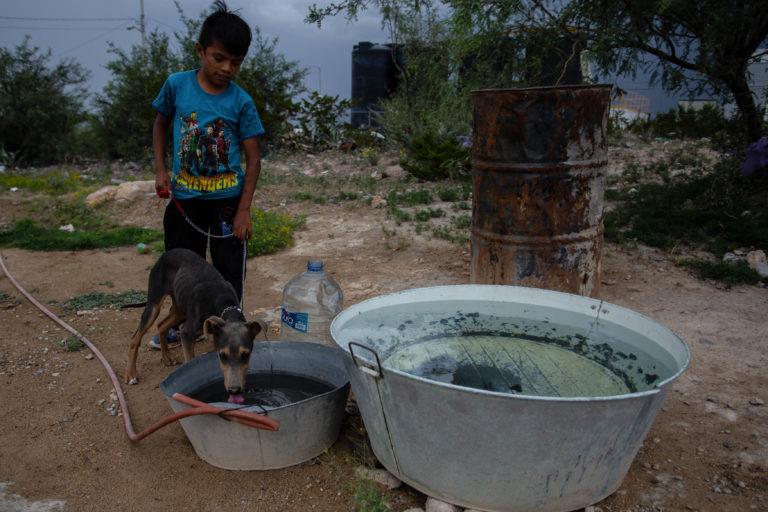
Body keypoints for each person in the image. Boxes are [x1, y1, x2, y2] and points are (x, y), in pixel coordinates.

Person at [149, 0, 264, 348]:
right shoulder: (177, 85)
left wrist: (244, 209)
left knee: (230, 270)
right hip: (185, 202)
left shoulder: (241, 101)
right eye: (219, 58)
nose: (227, 68)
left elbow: (254, 159)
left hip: (228, 202)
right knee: (185, 271)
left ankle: (232, 328)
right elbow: (160, 124)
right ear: (200, 51)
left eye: (236, 62)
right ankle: (180, 325)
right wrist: (160, 169)